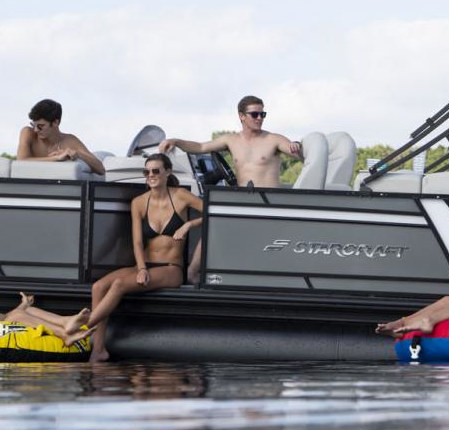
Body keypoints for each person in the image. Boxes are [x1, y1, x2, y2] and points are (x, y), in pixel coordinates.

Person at [82, 153, 204, 361]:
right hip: (145, 264)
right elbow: (137, 242)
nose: (150, 175)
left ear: (168, 172)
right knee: (98, 287)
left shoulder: (181, 196)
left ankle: (80, 329)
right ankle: (99, 350)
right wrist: (141, 269)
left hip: (171, 268)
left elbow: (213, 212)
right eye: (146, 172)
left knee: (119, 284)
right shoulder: (138, 202)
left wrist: (188, 224)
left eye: (156, 171)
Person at [157, 95, 302, 188]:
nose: (259, 118)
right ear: (242, 116)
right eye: (255, 114)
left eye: (262, 114)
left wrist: (297, 145)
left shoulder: (274, 139)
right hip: (243, 201)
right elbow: (201, 147)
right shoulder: (231, 140)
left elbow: (299, 154)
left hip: (270, 203)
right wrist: (175, 141)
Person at [16, 99, 105, 175]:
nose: (35, 130)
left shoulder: (69, 140)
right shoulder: (28, 132)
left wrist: (78, 153)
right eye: (33, 125)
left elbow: (101, 170)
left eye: (40, 126)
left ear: (55, 122)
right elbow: (21, 161)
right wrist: (56, 158)